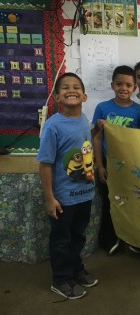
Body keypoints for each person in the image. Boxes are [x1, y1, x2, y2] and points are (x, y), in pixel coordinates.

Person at [37, 72, 97, 299]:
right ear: (57, 97)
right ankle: (60, 280)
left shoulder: (83, 120)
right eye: (65, 87)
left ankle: (75, 270)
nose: (71, 90)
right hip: (63, 198)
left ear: (84, 96)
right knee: (61, 240)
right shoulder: (53, 126)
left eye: (76, 87)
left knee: (78, 236)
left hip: (85, 193)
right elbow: (45, 165)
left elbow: (85, 144)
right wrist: (49, 197)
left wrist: (98, 128)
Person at [93, 65, 140, 255]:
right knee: (110, 202)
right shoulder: (102, 108)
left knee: (132, 202)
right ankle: (109, 239)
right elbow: (97, 138)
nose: (123, 88)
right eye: (119, 84)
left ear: (134, 87)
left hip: (131, 168)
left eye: (128, 85)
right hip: (109, 167)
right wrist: (99, 166)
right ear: (112, 85)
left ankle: (133, 239)